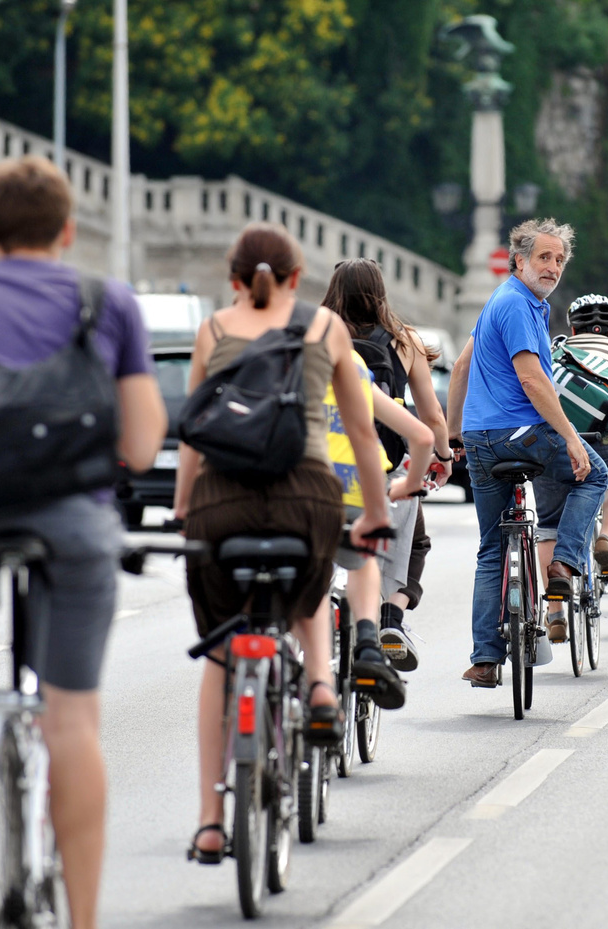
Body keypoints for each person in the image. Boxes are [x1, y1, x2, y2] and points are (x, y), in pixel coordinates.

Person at [0, 156, 168, 929]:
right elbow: (147, 443)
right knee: (72, 720)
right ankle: (81, 920)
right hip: (71, 517)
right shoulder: (104, 300)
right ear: (67, 230)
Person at [174, 222, 392, 864]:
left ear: (234, 277)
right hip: (306, 496)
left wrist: (186, 508)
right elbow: (359, 430)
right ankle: (322, 686)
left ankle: (212, 822)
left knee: (221, 652)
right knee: (308, 594)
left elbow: (193, 433)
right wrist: (375, 512)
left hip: (224, 503)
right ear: (299, 280)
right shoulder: (326, 331)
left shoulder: (212, 330)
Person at [446, 218, 608, 686]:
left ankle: (484, 660)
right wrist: (573, 439)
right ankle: (564, 563)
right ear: (519, 259)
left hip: (480, 439)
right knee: (593, 475)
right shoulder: (520, 305)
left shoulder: (500, 302)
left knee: (491, 548)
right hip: (525, 434)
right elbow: (533, 380)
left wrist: (456, 435)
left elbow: (461, 367)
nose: (553, 267)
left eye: (560, 259)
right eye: (544, 257)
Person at [322, 257, 453, 671]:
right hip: (386, 461)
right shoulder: (404, 340)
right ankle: (392, 616)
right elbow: (431, 417)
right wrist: (445, 457)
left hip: (323, 461)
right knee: (414, 541)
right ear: (380, 292)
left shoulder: (319, 335)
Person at [322, 345, 434, 707]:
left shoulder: (271, 358)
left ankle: (311, 683)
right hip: (359, 487)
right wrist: (407, 485)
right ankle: (370, 640)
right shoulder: (351, 363)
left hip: (296, 491)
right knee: (365, 552)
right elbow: (423, 435)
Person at [533, 294, 608, 636]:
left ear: (572, 327)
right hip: (604, 442)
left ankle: (554, 614)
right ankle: (607, 537)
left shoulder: (555, 351)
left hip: (554, 443)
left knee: (549, 525)